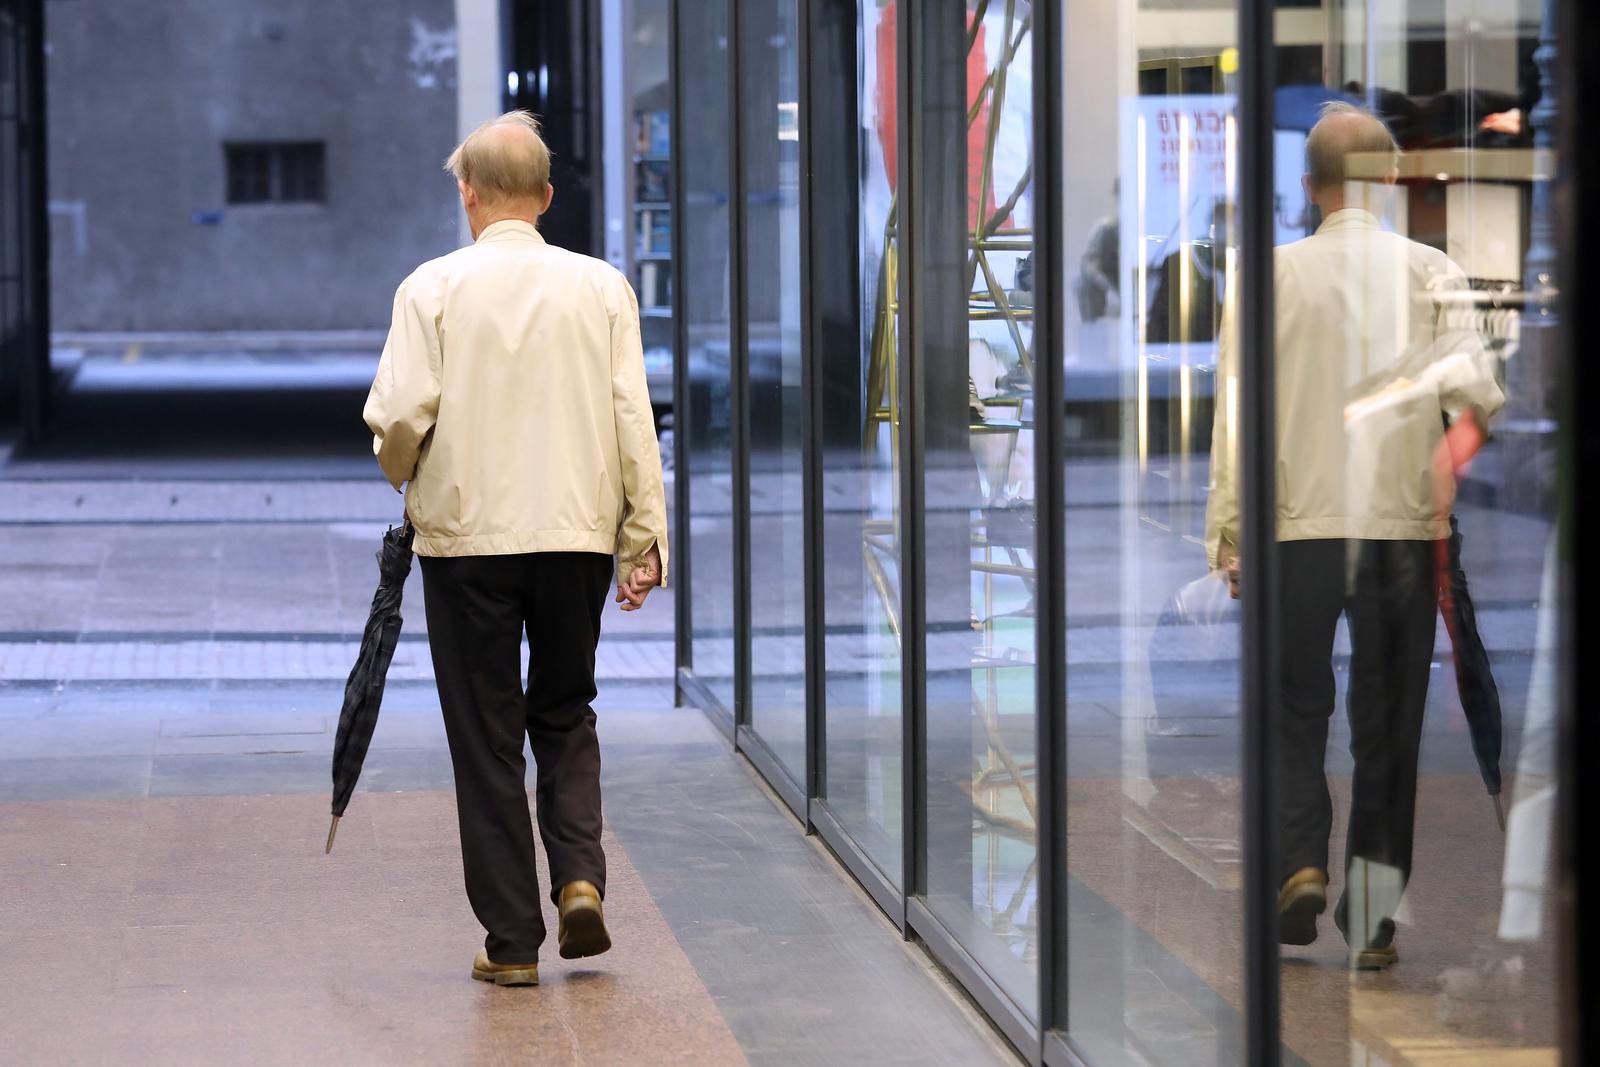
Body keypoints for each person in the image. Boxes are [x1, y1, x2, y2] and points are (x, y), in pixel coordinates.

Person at [363, 111, 668, 987]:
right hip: (576, 539)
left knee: (487, 734)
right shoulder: (603, 287)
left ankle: (511, 943)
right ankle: (578, 875)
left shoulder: (430, 289)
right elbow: (632, 422)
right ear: (543, 196)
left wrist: (407, 476)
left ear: (468, 195)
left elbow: (398, 419)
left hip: (465, 545)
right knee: (566, 710)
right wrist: (643, 537)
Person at [1205, 103, 1502, 970]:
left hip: (1295, 530)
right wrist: (1437, 474)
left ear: (1309, 188)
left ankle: (1298, 862)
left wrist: (1229, 534)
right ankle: (1370, 920)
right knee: (1388, 725)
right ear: (1389, 182)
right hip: (1400, 533)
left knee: (1292, 707)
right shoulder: (1431, 269)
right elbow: (1476, 406)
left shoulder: (1266, 274)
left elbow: (1235, 419)